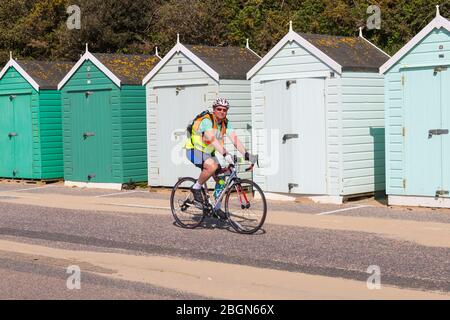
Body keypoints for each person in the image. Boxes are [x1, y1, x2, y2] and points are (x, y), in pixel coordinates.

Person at [185, 97, 257, 219]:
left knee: (222, 179)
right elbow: (212, 139)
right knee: (212, 167)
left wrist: (247, 155)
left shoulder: (225, 123)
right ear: (214, 109)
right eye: (219, 109)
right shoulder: (207, 121)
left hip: (208, 153)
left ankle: (216, 208)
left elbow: (235, 140)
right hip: (194, 150)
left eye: (224, 109)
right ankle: (196, 187)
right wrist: (225, 154)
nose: (222, 112)